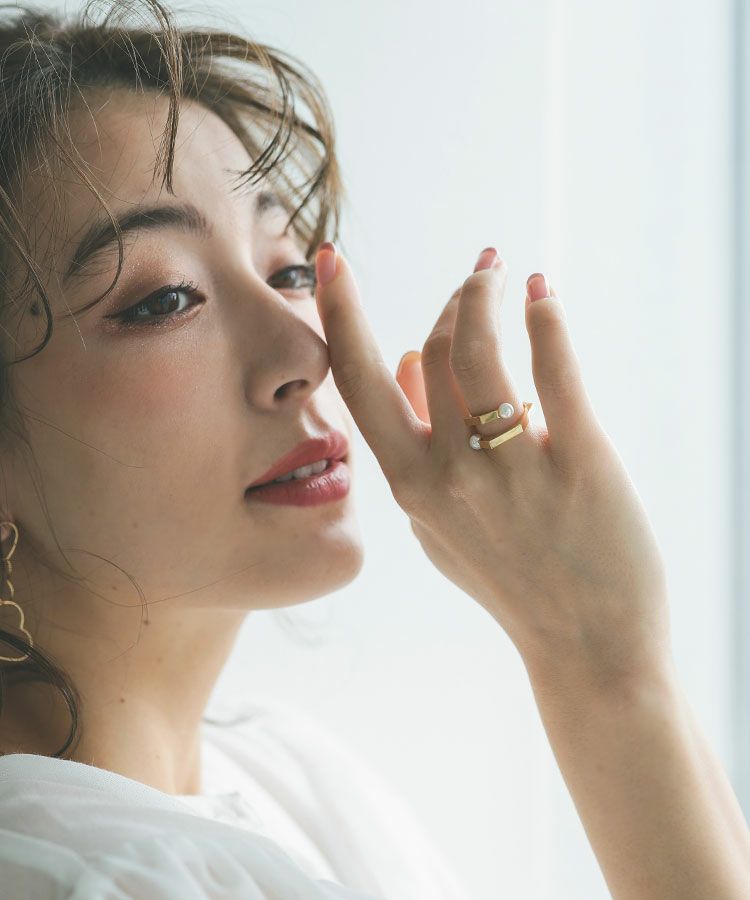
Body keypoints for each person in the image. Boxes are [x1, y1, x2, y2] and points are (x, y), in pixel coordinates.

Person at [0, 1, 747, 898]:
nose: (306, 351)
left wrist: (613, 654)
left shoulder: (293, 778)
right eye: (164, 298)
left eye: (288, 271)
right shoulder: (86, 875)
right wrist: (600, 661)